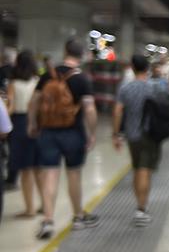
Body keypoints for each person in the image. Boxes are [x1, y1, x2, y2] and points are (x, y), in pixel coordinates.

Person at [27, 38, 99, 239]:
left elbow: (34, 102)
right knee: (73, 174)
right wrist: (92, 133)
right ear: (82, 54)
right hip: (73, 133)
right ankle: (77, 217)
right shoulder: (82, 79)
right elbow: (90, 109)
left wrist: (32, 124)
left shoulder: (47, 75)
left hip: (48, 132)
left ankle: (48, 221)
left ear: (65, 51)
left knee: (50, 175)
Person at [113, 55, 169, 226]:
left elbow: (117, 111)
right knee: (145, 170)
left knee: (137, 169)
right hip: (150, 135)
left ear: (132, 67)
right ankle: (141, 210)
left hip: (132, 136)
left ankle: (139, 206)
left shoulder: (124, 88)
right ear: (147, 68)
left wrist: (116, 134)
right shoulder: (155, 88)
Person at [5, 50, 42, 216]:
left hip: (20, 124)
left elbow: (11, 108)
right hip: (37, 124)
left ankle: (30, 209)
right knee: (38, 168)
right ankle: (44, 206)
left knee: (26, 170)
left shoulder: (13, 83)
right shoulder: (38, 81)